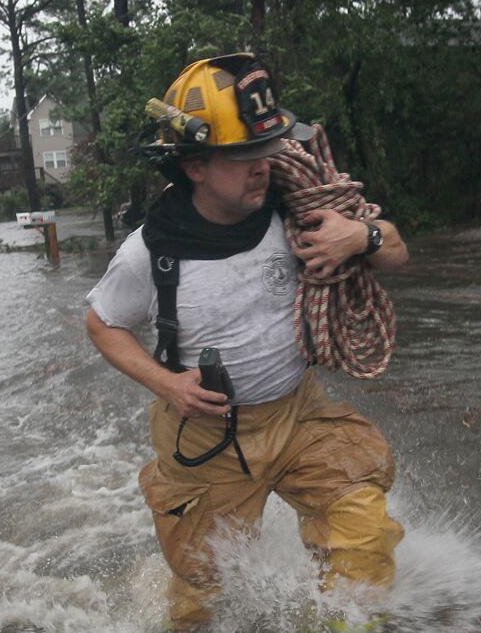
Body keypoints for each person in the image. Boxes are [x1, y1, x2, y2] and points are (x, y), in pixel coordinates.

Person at [85, 53, 409, 629]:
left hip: (298, 413)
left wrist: (360, 236)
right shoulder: (149, 252)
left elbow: (399, 252)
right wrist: (166, 385)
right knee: (201, 591)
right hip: (206, 435)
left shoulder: (301, 212)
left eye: (267, 150)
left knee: (362, 529)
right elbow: (103, 325)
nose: (264, 166)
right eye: (243, 157)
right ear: (196, 166)